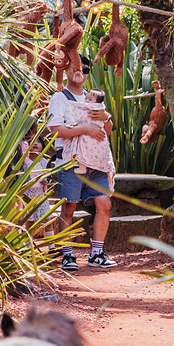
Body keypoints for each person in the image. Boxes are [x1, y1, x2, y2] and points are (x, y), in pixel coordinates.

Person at [47, 55, 118, 270]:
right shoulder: (60, 98)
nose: (81, 72)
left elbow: (107, 129)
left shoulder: (93, 98)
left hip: (96, 162)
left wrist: (105, 117)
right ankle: (68, 254)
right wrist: (86, 128)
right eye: (77, 67)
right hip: (71, 161)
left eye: (85, 69)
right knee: (68, 206)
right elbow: (56, 130)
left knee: (104, 204)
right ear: (66, 69)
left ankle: (97, 252)